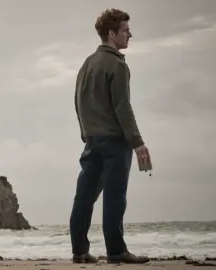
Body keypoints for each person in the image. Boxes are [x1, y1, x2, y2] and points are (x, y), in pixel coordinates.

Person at [69, 8, 151, 264]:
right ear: (111, 33)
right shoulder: (116, 64)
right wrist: (137, 143)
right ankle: (116, 251)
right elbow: (122, 108)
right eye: (126, 31)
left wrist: (86, 133)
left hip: (92, 140)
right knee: (115, 197)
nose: (130, 35)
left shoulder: (87, 63)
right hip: (115, 141)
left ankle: (79, 251)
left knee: (84, 196)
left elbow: (77, 101)